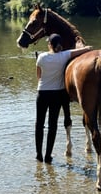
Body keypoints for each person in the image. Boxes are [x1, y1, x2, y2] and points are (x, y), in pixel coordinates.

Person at [35, 33, 92, 163]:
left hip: (42, 93)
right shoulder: (64, 55)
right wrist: (84, 47)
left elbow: (39, 76)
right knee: (52, 125)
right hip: (57, 94)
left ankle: (39, 155)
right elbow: (84, 50)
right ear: (60, 45)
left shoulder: (41, 57)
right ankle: (48, 156)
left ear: (49, 44)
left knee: (39, 124)